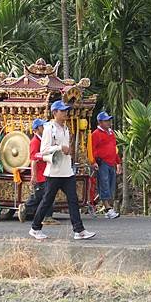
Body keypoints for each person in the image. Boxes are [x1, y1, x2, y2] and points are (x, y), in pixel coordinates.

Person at [29, 100, 96, 240]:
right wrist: (59, 148)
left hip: (67, 171)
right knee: (47, 200)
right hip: (53, 172)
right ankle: (35, 228)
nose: (65, 113)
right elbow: (44, 150)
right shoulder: (48, 128)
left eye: (66, 110)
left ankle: (79, 230)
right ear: (55, 113)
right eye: (62, 111)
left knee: (73, 200)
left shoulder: (66, 128)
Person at [18, 118, 56, 223]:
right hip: (40, 174)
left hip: (45, 172)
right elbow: (33, 160)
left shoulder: (43, 140)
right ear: (37, 128)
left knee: (44, 195)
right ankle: (27, 208)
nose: (44, 128)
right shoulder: (35, 142)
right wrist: (34, 175)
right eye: (42, 127)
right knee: (42, 195)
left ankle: (45, 216)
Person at [92, 111, 122, 219]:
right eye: (106, 120)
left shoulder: (111, 133)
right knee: (104, 185)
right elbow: (93, 149)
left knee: (110, 186)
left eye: (109, 120)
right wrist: (94, 162)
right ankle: (108, 209)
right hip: (102, 162)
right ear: (100, 122)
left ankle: (98, 204)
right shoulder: (95, 134)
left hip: (111, 162)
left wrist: (118, 162)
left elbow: (115, 148)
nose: (109, 122)